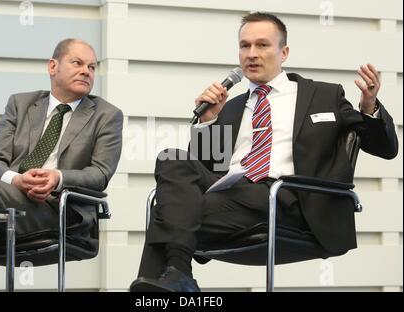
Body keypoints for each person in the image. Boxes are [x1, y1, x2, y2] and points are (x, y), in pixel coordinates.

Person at [130, 12, 398, 292]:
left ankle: (176, 280)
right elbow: (205, 170)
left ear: (284, 52)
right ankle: (179, 276)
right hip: (231, 195)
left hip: (286, 198)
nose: (252, 54)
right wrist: (209, 121)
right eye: (245, 46)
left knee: (168, 212)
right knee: (171, 159)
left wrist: (370, 106)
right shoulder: (231, 107)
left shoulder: (323, 95)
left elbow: (385, 148)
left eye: (262, 45)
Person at [0, 38, 123, 291]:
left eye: (92, 67)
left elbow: (100, 174)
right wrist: (16, 180)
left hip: (58, 210)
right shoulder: (20, 104)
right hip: (11, 200)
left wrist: (58, 177)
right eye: (77, 63)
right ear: (52, 67)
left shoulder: (107, 115)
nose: (86, 71)